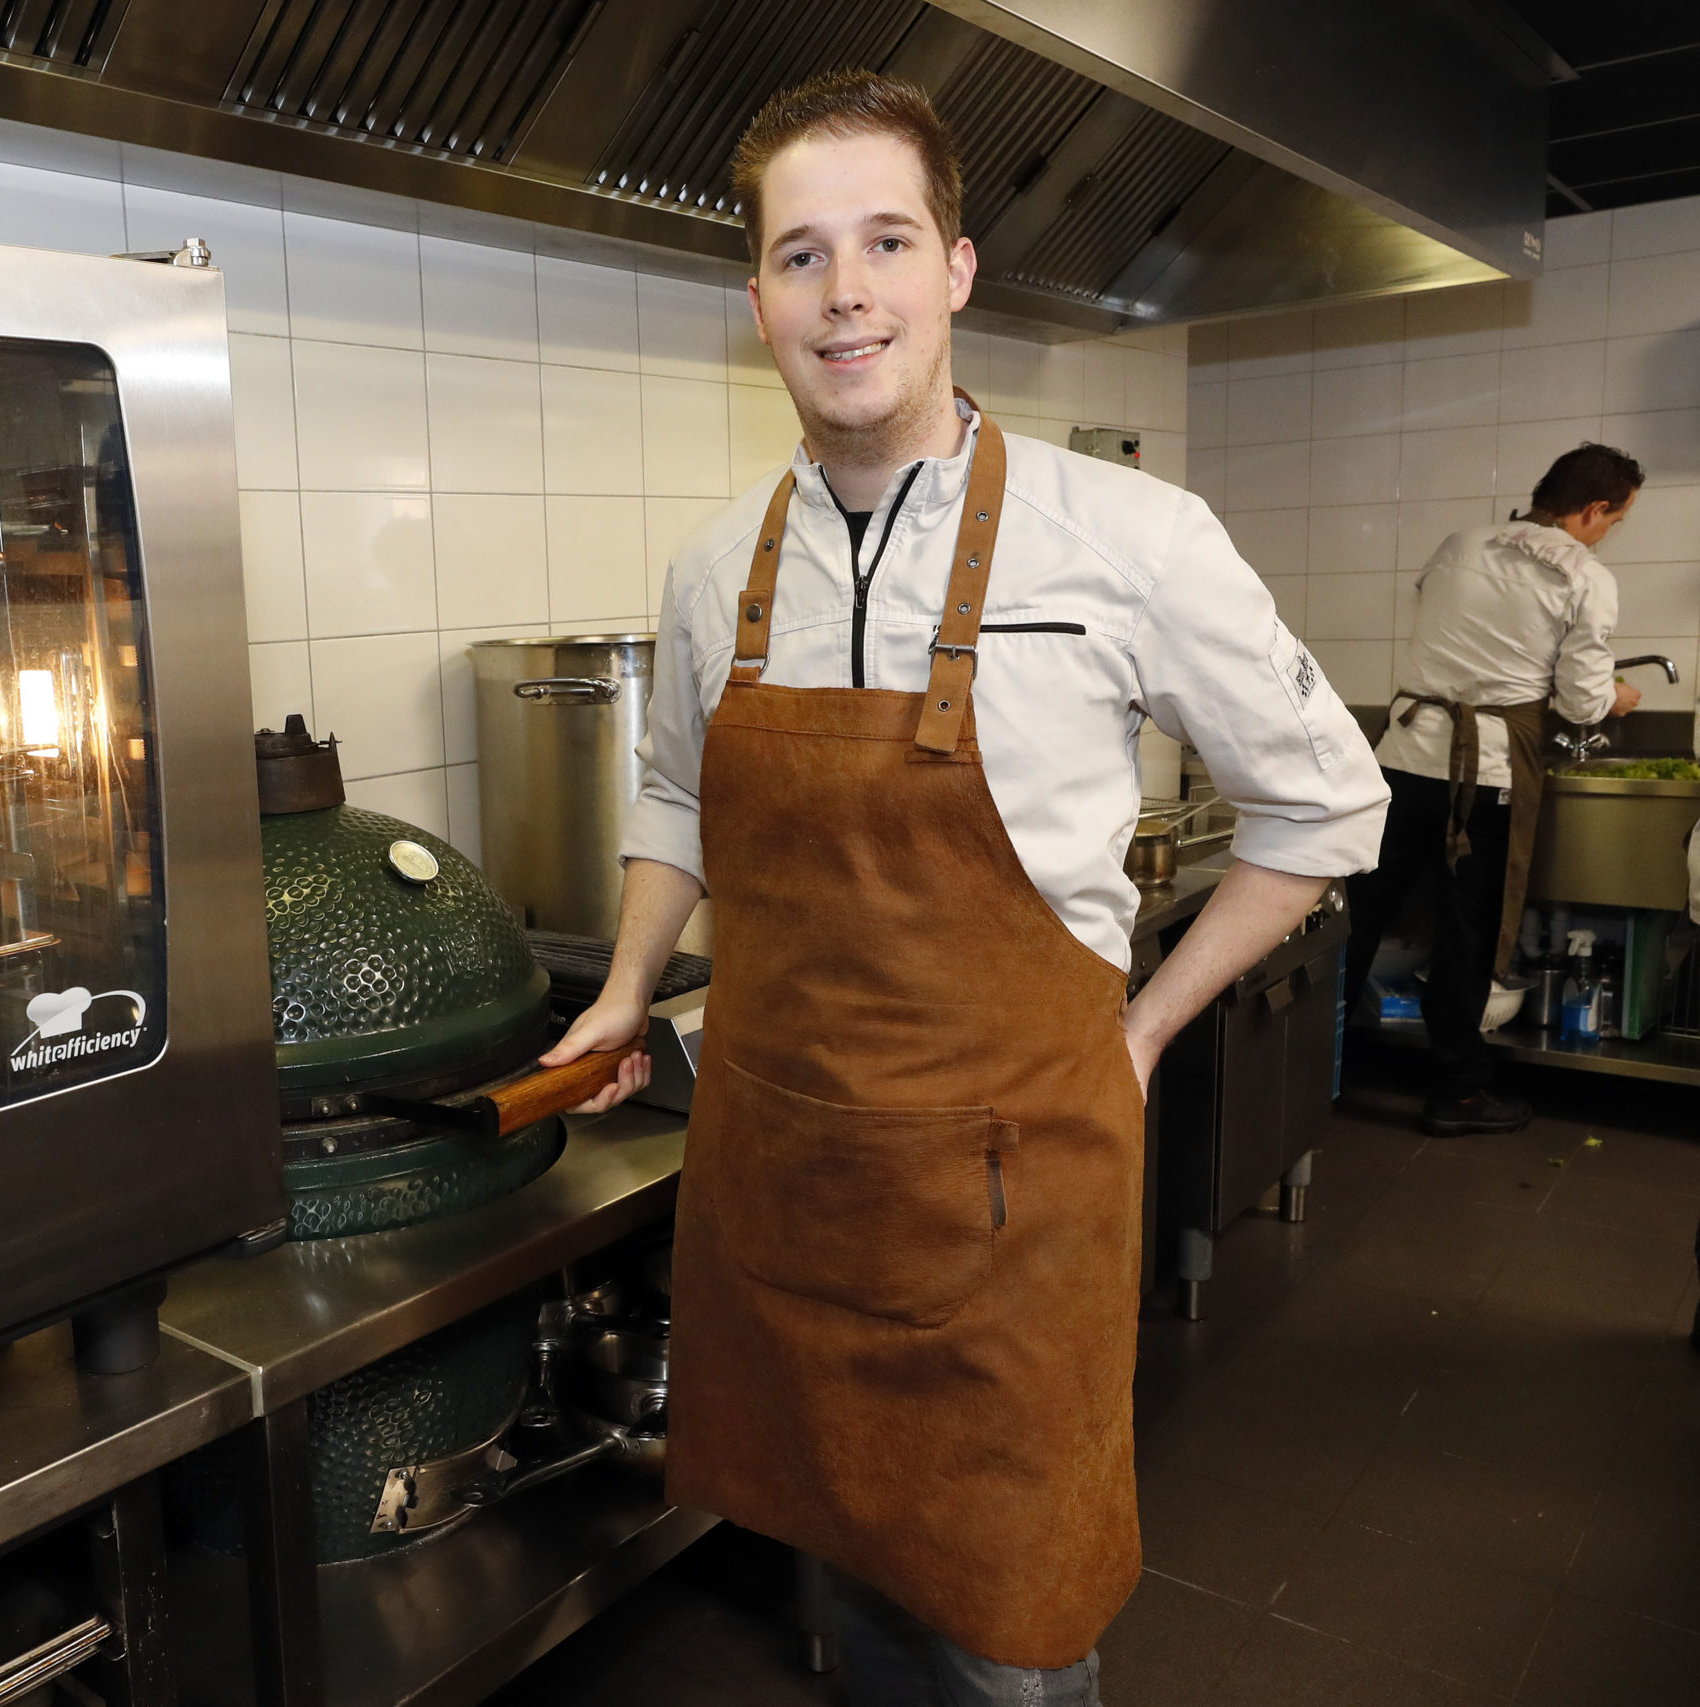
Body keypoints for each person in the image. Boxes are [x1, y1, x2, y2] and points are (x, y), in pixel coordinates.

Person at [539, 71, 1388, 1705]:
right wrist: (628, 988)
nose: (844, 292)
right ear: (759, 300)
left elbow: (1324, 803)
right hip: (794, 1179)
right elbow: (676, 793)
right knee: (850, 1574)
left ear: (956, 270)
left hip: (1008, 1203)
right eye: (800, 255)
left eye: (885, 242)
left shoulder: (1126, 536)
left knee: (1010, 1631)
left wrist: (1140, 1035)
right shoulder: (718, 566)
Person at [1343, 445, 1644, 1137]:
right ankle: (1458, 1090)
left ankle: (1310, 1064)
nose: (1607, 534)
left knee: (1360, 911)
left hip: (1401, 757)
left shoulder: (1461, 544)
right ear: (1594, 508)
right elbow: (1581, 700)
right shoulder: (1586, 577)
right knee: (1468, 931)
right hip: (1485, 775)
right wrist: (1617, 697)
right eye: (1614, 520)